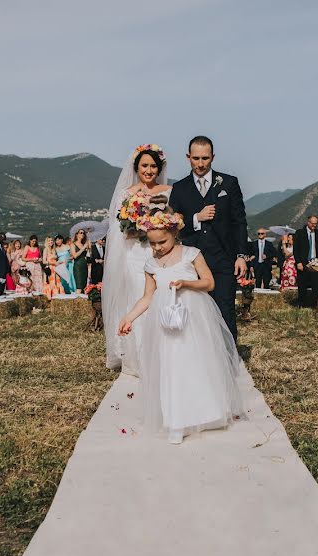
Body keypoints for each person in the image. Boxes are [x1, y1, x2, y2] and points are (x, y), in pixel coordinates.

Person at [117, 209, 249, 444]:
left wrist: (187, 283)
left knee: (196, 359)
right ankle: (177, 419)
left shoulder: (191, 254)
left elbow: (209, 283)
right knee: (171, 363)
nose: (157, 248)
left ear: (175, 232)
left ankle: (209, 412)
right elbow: (147, 297)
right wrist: (129, 317)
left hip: (193, 314)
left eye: (162, 242)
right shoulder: (150, 264)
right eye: (152, 243)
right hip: (164, 319)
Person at [166, 136, 249, 342]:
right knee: (196, 314)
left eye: (205, 158)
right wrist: (196, 218)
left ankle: (230, 361)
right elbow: (173, 227)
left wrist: (241, 255)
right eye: (196, 158)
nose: (201, 164)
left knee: (225, 310)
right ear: (188, 157)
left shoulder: (229, 183)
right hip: (193, 263)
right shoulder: (179, 188)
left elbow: (239, 222)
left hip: (223, 259)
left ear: (213, 157)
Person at [102, 143, 170, 375]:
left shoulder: (168, 191)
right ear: (137, 167)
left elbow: (171, 223)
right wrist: (139, 227)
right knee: (137, 296)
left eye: (153, 166)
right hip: (134, 253)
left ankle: (161, 352)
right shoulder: (127, 193)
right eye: (144, 165)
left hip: (159, 252)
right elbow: (119, 228)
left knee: (160, 296)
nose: (149, 170)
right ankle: (136, 353)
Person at [293, 215, 318, 308]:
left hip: (315, 263)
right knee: (302, 285)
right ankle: (301, 304)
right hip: (303, 263)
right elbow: (296, 249)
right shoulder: (300, 233)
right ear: (308, 222)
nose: (314, 226)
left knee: (316, 286)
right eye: (313, 224)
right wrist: (298, 262)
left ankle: (314, 305)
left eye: (316, 224)